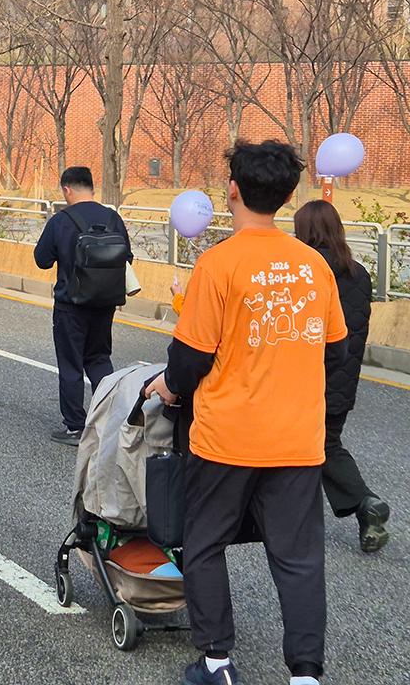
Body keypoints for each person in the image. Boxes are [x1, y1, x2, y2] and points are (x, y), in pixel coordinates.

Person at [145, 140, 348, 685]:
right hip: (297, 439)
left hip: (225, 437)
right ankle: (305, 676)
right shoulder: (314, 266)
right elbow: (335, 350)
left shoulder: (219, 264)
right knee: (299, 558)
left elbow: (189, 360)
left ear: (232, 189)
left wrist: (167, 387)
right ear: (285, 196)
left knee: (205, 543)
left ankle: (217, 663)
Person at [294, 199, 390, 553]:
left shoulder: (305, 269)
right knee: (325, 444)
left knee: (304, 448)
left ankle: (363, 502)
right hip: (343, 379)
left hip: (305, 377)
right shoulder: (358, 272)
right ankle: (366, 508)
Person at [33, 166, 132, 446]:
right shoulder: (113, 218)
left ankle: (76, 426)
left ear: (67, 189)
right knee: (99, 359)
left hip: (71, 305)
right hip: (106, 303)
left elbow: (42, 259)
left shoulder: (61, 220)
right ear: (91, 187)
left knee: (71, 364)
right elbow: (128, 257)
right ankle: (109, 420)